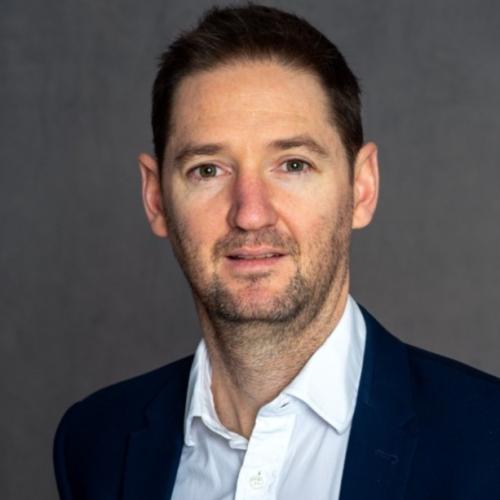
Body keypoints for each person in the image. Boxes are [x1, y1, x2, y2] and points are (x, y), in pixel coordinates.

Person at [53, 3, 500, 499]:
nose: (251, 213)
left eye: (293, 165)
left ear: (362, 188)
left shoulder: (488, 443)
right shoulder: (94, 443)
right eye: (208, 170)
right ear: (156, 198)